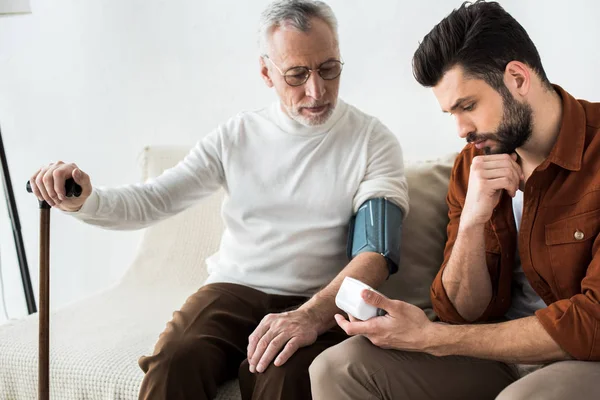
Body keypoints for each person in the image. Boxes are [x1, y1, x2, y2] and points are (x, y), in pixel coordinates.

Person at [29, 1, 409, 399]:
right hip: (233, 288)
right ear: (267, 73)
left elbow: (377, 252)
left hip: (319, 296)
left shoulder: (372, 140)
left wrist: (311, 315)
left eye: (329, 69)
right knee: (174, 361)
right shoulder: (236, 137)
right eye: (297, 74)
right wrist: (84, 201)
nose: (316, 90)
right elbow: (154, 199)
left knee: (283, 378)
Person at [309, 1, 600, 399]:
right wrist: (472, 224)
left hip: (584, 360)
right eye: (451, 113)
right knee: (337, 367)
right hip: (492, 359)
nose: (462, 128)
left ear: (517, 78)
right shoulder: (473, 165)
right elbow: (460, 312)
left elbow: (593, 322)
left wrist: (433, 339)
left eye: (468, 106)